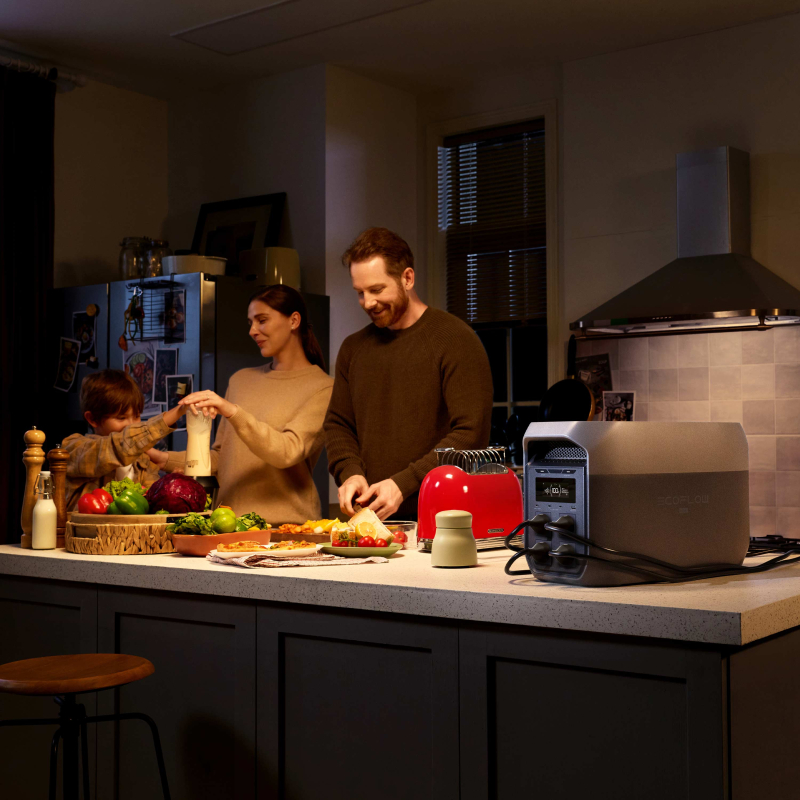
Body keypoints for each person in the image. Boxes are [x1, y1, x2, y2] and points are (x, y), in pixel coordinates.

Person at [324, 227, 493, 520]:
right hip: (370, 524)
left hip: (444, 522)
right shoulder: (353, 348)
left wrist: (404, 483)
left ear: (408, 278)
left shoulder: (455, 339)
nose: (368, 302)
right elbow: (338, 425)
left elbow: (471, 434)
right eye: (360, 293)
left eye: (377, 290)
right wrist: (350, 472)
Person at [150, 285, 333, 524]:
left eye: (262, 320)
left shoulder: (323, 388)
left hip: (286, 528)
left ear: (294, 321)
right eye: (250, 322)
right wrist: (163, 459)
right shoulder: (241, 380)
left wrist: (232, 411)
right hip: (227, 522)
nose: (252, 331)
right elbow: (221, 458)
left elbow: (287, 452)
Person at [63, 370, 185, 511]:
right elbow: (117, 447)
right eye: (121, 418)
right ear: (92, 419)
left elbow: (150, 503)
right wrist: (175, 414)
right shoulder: (74, 448)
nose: (132, 425)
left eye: (137, 416)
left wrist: (168, 486)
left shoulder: (143, 459)